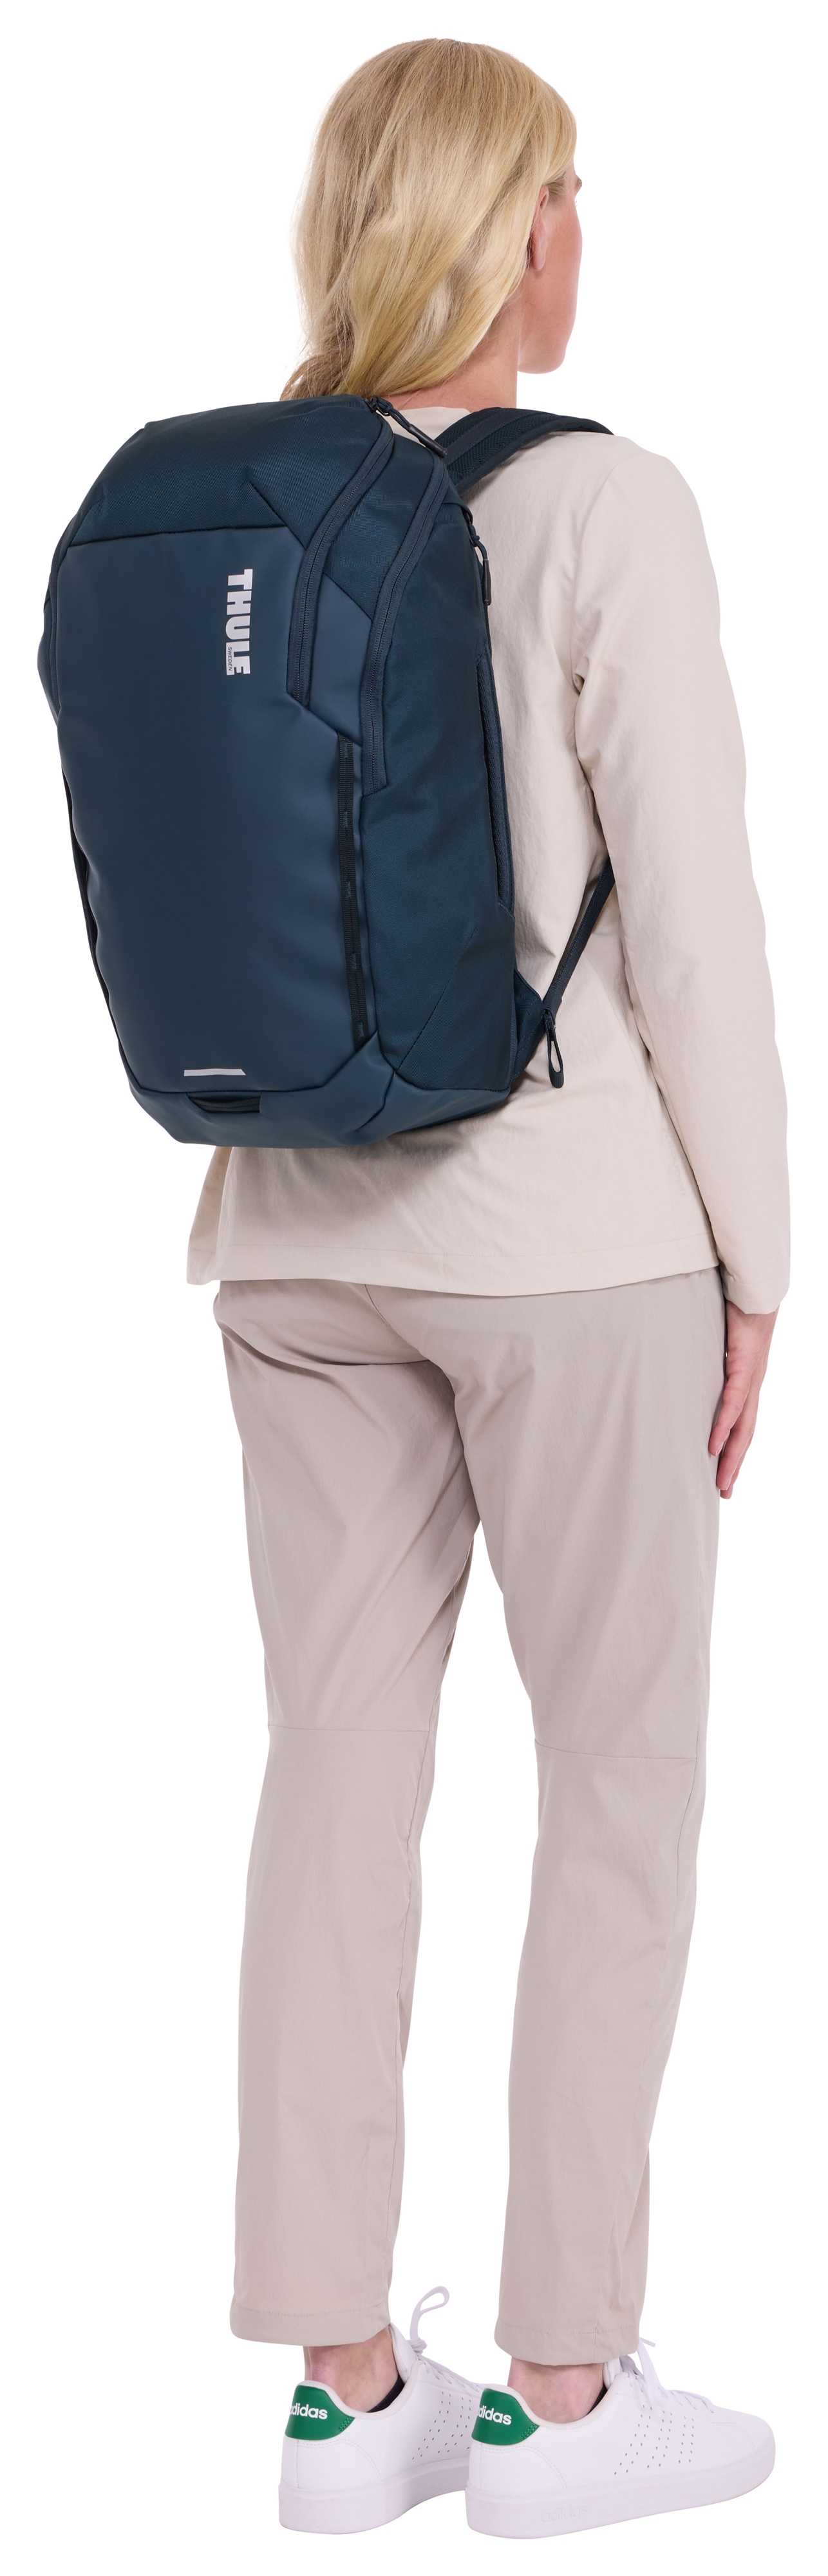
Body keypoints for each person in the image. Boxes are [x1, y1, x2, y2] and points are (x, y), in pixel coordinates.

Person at [187, 39, 789, 2539]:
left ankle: (349, 2399)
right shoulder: (607, 505)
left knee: (334, 1772)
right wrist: (762, 1259)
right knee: (617, 1784)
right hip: (570, 1242)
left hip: (289, 1231)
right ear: (505, 228)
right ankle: (555, 2392)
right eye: (565, 192)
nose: (582, 232)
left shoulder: (237, 501)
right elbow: (700, 919)